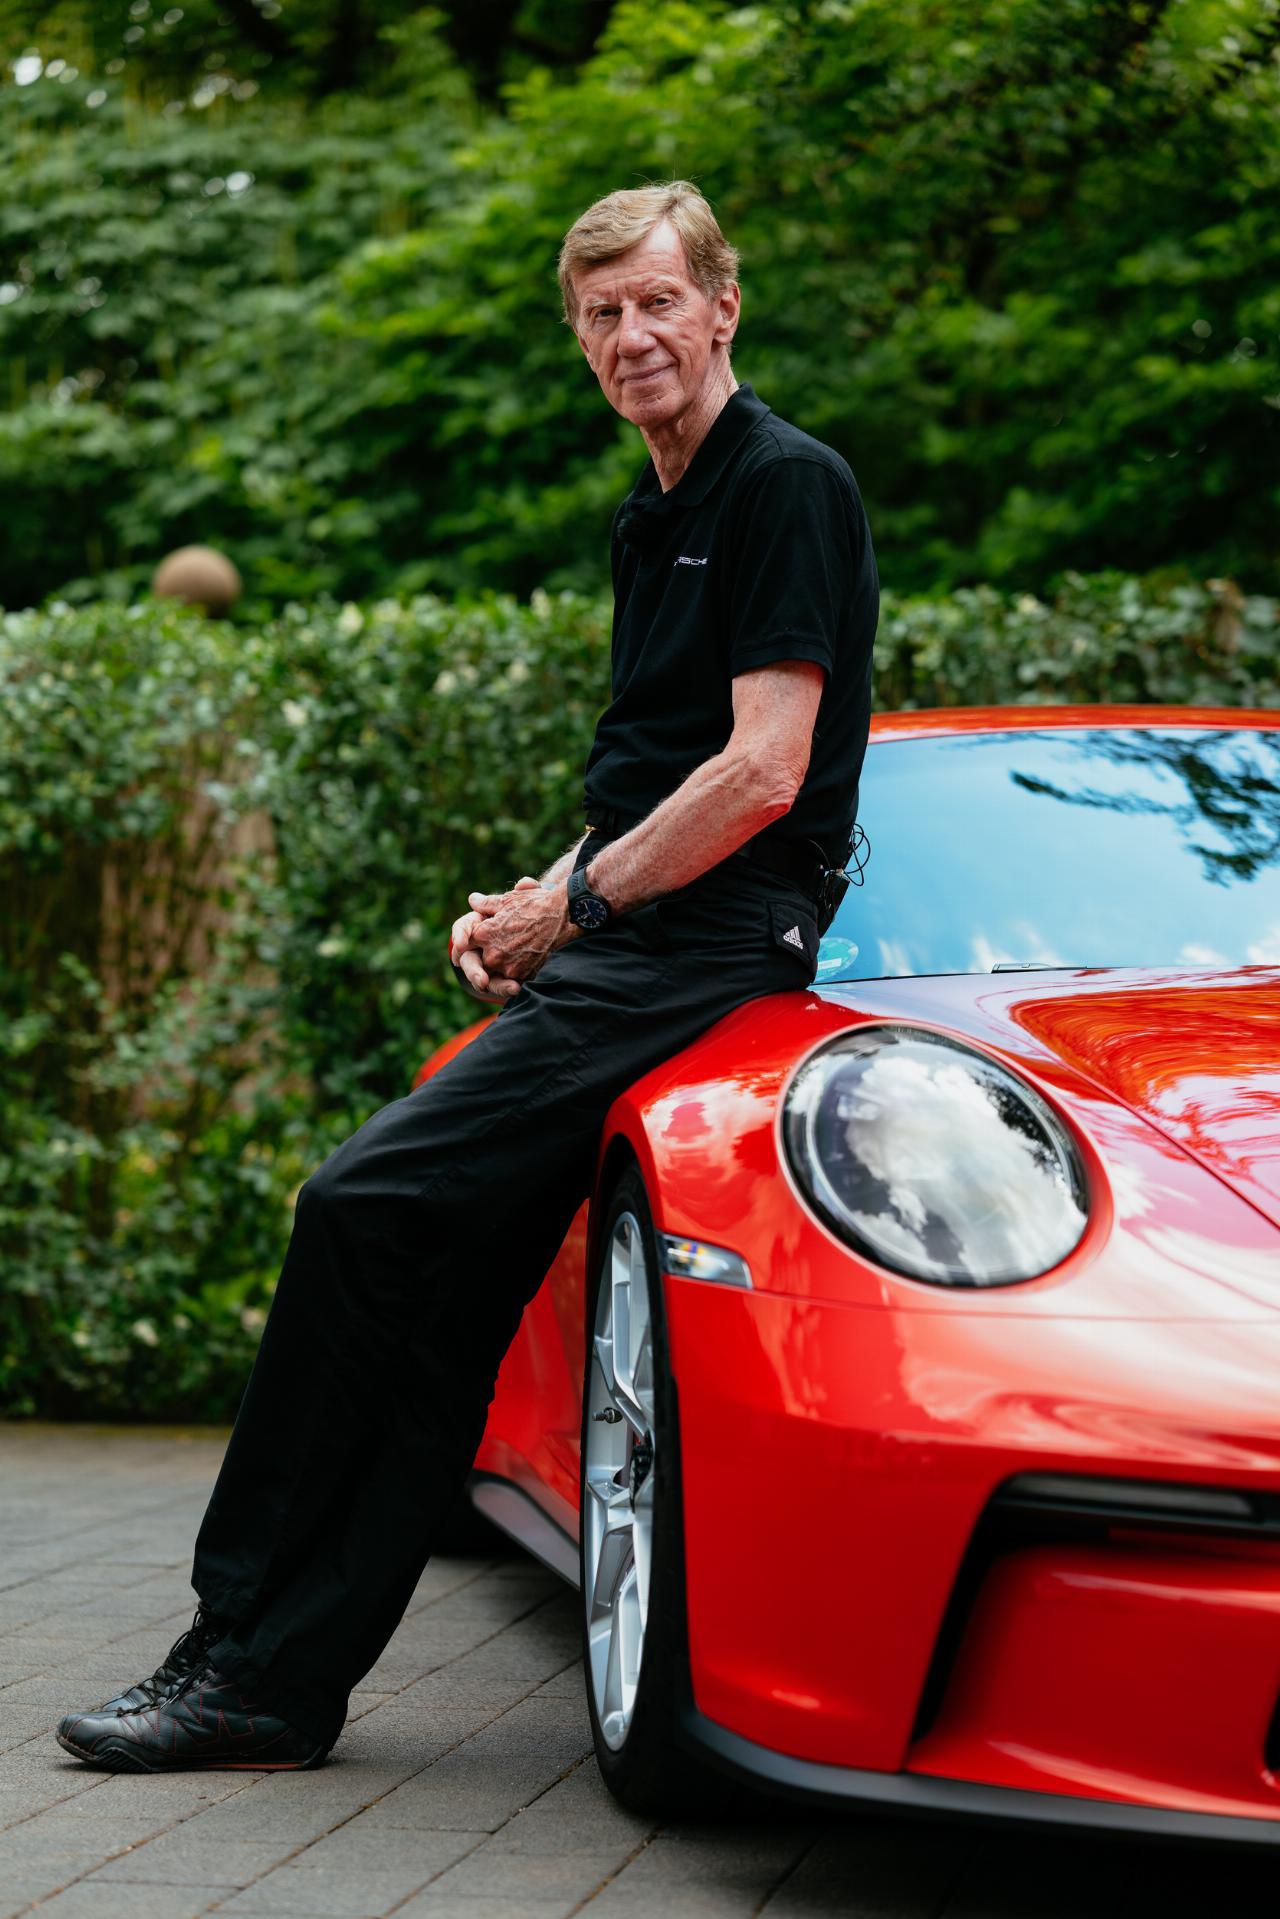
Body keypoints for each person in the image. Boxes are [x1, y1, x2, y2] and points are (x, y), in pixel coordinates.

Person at [55, 181, 879, 1772]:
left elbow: (764, 772)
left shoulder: (786, 482)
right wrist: (536, 898)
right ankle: (269, 1680)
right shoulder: (652, 506)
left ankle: (237, 1637)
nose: (632, 337)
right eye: (601, 314)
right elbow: (656, 776)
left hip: (706, 955)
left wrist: (574, 910)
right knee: (434, 1304)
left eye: (658, 302)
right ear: (579, 336)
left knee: (356, 1210)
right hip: (643, 938)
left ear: (723, 308)